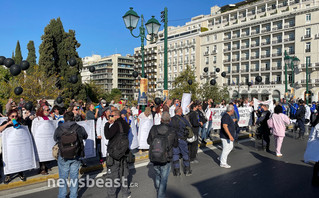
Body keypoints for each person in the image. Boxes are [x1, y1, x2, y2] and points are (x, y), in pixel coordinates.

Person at [54, 111, 88, 198]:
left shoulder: (59, 128)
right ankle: (73, 195)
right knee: (74, 177)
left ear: (64, 119)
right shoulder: (79, 127)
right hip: (75, 154)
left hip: (63, 155)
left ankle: (62, 195)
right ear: (73, 118)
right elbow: (85, 136)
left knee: (63, 177)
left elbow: (55, 138)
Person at [147, 112, 178, 198]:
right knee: (164, 179)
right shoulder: (172, 130)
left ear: (161, 119)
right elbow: (176, 144)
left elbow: (148, 141)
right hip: (166, 157)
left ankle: (158, 189)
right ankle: (160, 195)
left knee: (157, 174)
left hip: (155, 155)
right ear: (170, 120)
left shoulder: (154, 128)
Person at [104, 110, 131, 198]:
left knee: (113, 175)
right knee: (123, 173)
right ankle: (125, 193)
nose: (111, 117)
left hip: (115, 152)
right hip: (124, 152)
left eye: (112, 115)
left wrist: (107, 124)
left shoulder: (116, 125)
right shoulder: (126, 124)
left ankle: (111, 195)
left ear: (115, 116)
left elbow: (107, 135)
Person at [0, 109, 26, 184]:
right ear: (9, 116)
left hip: (18, 145)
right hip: (9, 146)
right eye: (12, 116)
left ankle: (20, 173)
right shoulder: (6, 122)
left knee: (19, 159)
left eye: (16, 116)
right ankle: (8, 175)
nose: (14, 117)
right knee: (9, 161)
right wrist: (8, 123)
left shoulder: (20, 122)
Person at [170, 107, 192, 176]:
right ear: (179, 112)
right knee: (185, 154)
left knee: (175, 154)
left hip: (174, 140)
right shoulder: (183, 120)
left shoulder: (171, 120)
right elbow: (189, 127)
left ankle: (177, 171)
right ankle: (187, 170)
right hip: (182, 139)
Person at [35, 105, 53, 175]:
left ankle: (46, 165)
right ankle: (42, 168)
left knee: (48, 152)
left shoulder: (50, 118)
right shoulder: (37, 120)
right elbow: (34, 130)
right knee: (41, 154)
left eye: (49, 110)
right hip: (40, 140)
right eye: (47, 110)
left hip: (48, 139)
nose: (49, 111)